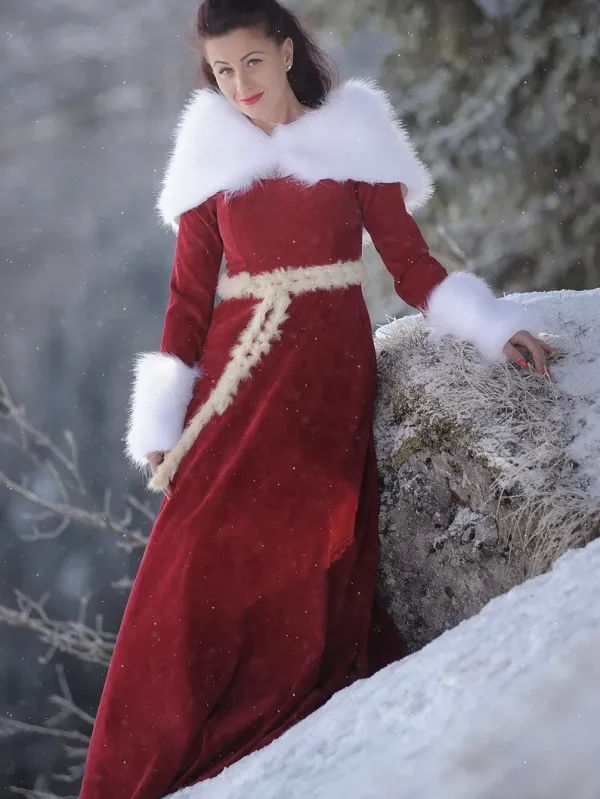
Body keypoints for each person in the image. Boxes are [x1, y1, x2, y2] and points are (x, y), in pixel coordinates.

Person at [80, 0, 555, 797]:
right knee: (188, 560)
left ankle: (273, 710)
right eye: (223, 71)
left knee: (301, 556)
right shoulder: (211, 155)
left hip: (324, 378)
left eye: (252, 63)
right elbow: (189, 301)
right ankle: (141, 766)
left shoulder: (352, 138)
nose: (239, 85)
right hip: (237, 377)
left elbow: (410, 265)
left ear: (288, 50)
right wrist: (165, 417)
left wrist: (490, 324)